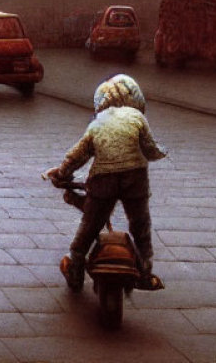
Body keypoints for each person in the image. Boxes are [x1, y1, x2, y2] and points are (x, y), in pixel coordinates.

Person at [45, 74, 167, 292]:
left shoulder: (97, 124)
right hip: (135, 179)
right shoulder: (138, 118)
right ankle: (145, 271)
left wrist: (62, 174)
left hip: (103, 179)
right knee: (140, 224)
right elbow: (150, 149)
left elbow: (77, 156)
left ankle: (75, 266)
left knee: (90, 225)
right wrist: (163, 153)